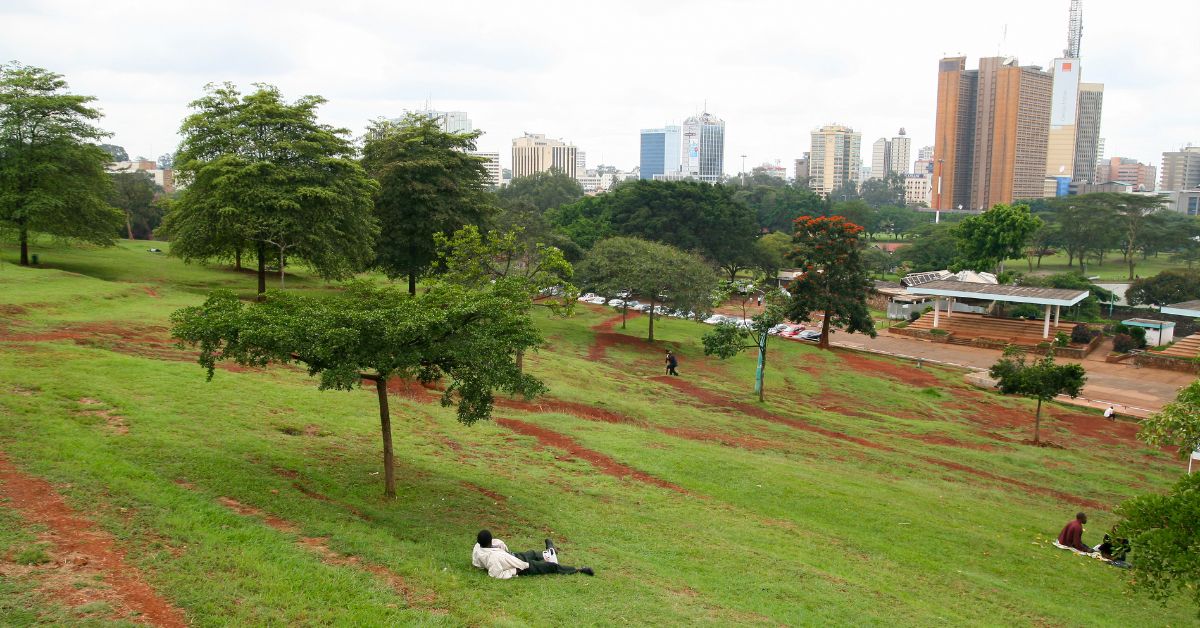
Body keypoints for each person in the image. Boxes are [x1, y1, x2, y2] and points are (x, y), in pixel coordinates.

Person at [471, 530, 594, 579]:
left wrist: (503, 550)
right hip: (520, 567)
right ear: (489, 541)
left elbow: (476, 562)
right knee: (551, 566)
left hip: (512, 557)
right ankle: (578, 570)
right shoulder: (493, 558)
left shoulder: (478, 548)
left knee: (532, 553)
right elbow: (496, 574)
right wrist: (515, 571)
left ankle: (550, 551)